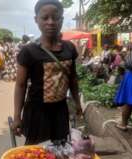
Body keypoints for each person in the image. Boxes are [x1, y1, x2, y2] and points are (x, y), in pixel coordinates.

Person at [12, 0, 82, 144]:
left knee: (60, 151)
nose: (50, 22)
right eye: (45, 18)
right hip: (37, 112)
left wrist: (77, 103)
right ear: (36, 20)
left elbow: (73, 79)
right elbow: (20, 85)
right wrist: (17, 116)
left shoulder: (69, 49)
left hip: (60, 111)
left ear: (61, 20)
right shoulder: (29, 51)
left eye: (55, 18)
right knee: (34, 154)